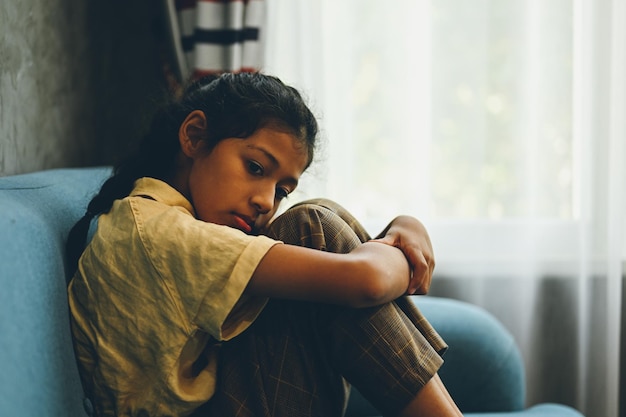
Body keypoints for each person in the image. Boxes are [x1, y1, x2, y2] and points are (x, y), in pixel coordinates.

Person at [66, 72, 463, 417]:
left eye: (281, 191)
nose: (264, 202)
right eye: (255, 168)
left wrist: (401, 226)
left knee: (315, 224)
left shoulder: (165, 221)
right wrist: (402, 238)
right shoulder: (158, 231)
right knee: (311, 227)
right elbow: (368, 280)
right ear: (194, 136)